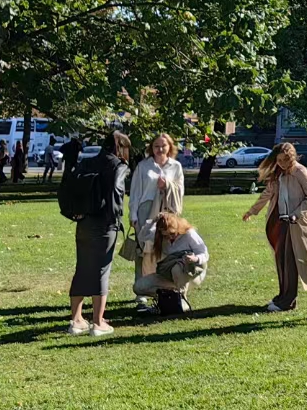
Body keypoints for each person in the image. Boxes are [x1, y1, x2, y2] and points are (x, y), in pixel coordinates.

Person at [242, 142, 307, 312]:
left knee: (291, 263)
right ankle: (282, 296)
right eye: (279, 160)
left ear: (292, 157)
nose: (283, 164)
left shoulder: (301, 172)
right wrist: (252, 211)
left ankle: (288, 301)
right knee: (281, 261)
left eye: (286, 160)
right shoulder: (278, 174)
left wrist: (296, 214)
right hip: (280, 222)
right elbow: (267, 194)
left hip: (296, 224)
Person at [68, 130, 131, 336]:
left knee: (82, 267)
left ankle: (76, 320)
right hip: (105, 223)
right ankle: (98, 322)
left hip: (84, 221)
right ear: (122, 148)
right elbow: (115, 190)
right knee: (102, 270)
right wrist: (115, 218)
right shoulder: (119, 165)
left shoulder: (88, 163)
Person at [130, 133, 185, 311]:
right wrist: (133, 215)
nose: (160, 149)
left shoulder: (175, 166)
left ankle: (164, 289)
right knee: (143, 251)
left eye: (163, 146)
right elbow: (136, 191)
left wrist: (168, 184)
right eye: (156, 146)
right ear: (151, 148)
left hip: (167, 212)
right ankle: (141, 292)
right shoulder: (143, 166)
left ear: (170, 147)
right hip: (145, 210)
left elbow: (181, 191)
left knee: (164, 250)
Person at [132, 211, 208, 315]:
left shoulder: (188, 234)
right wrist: (153, 221)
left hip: (192, 274)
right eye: (166, 235)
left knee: (177, 268)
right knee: (139, 287)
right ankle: (168, 298)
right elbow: (142, 237)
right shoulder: (159, 236)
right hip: (168, 274)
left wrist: (195, 259)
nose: (170, 238)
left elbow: (204, 254)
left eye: (172, 234)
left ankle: (182, 300)